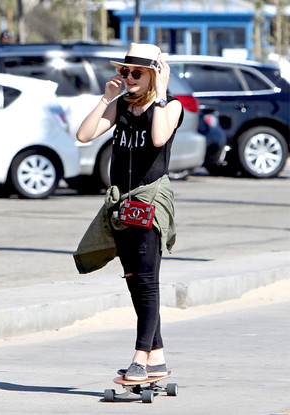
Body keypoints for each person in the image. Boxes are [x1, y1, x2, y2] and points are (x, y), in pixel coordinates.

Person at [75, 43, 182, 381]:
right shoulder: (120, 105)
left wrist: (161, 94)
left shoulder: (171, 106)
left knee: (148, 282)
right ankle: (158, 358)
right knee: (136, 282)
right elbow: (83, 134)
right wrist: (106, 98)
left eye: (137, 73)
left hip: (150, 202)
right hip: (122, 205)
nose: (129, 78)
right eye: (125, 71)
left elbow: (159, 138)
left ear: (153, 74)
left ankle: (139, 359)